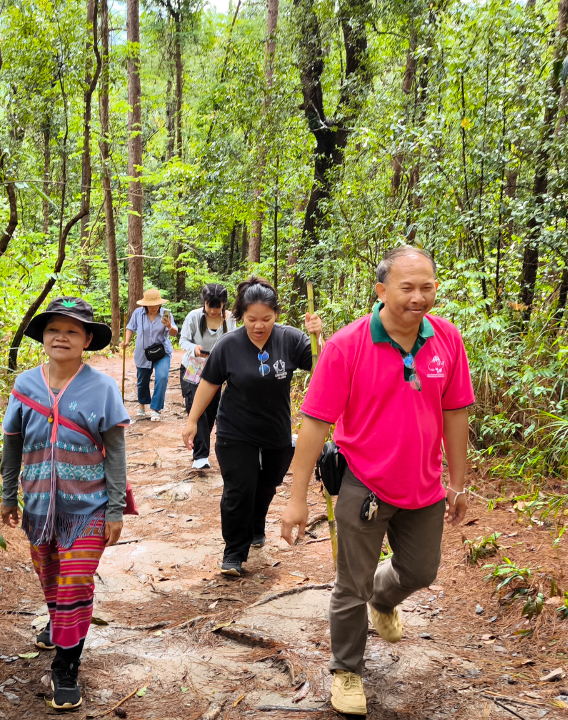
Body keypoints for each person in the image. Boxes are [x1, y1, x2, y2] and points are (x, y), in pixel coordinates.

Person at [279, 246, 475, 716]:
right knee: (351, 583)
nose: (419, 297)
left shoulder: (447, 339)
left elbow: (455, 413)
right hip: (362, 483)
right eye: (407, 287)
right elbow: (314, 424)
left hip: (424, 484)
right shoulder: (348, 345)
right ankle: (346, 670)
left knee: (421, 571)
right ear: (382, 290)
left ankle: (383, 601)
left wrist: (460, 481)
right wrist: (296, 498)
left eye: (427, 287)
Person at [0, 296, 131, 712]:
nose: (62, 336)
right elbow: (11, 443)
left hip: (87, 509)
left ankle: (66, 665)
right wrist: (7, 494)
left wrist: (113, 509)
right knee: (50, 578)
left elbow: (116, 453)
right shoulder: (25, 385)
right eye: (55, 329)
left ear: (87, 339)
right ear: (43, 337)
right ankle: (60, 625)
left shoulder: (103, 388)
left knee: (74, 583)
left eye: (73, 330)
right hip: (38, 508)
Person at [180, 277, 322, 576]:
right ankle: (234, 551)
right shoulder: (228, 345)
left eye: (266, 319)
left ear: (276, 315)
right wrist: (193, 420)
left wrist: (317, 337)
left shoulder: (291, 339)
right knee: (239, 490)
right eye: (252, 319)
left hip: (276, 431)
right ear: (240, 316)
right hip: (235, 430)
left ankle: (257, 525)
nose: (259, 325)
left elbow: (320, 365)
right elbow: (209, 383)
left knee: (266, 486)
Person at [177, 283, 237, 470]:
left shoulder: (230, 320)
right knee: (197, 410)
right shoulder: (193, 317)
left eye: (217, 306)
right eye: (209, 305)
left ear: (223, 305)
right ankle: (200, 456)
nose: (212, 310)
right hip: (193, 368)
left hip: (215, 371)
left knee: (211, 411)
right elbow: (183, 340)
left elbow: (233, 341)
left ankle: (202, 447)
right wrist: (193, 348)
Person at [122, 288, 178, 421]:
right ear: (145, 304)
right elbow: (130, 327)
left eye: (156, 304)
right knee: (142, 380)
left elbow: (174, 332)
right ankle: (142, 404)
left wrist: (169, 326)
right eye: (150, 305)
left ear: (160, 303)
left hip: (161, 352)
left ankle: (156, 409)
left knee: (162, 377)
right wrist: (126, 340)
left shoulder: (165, 314)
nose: (153, 307)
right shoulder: (138, 313)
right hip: (143, 352)